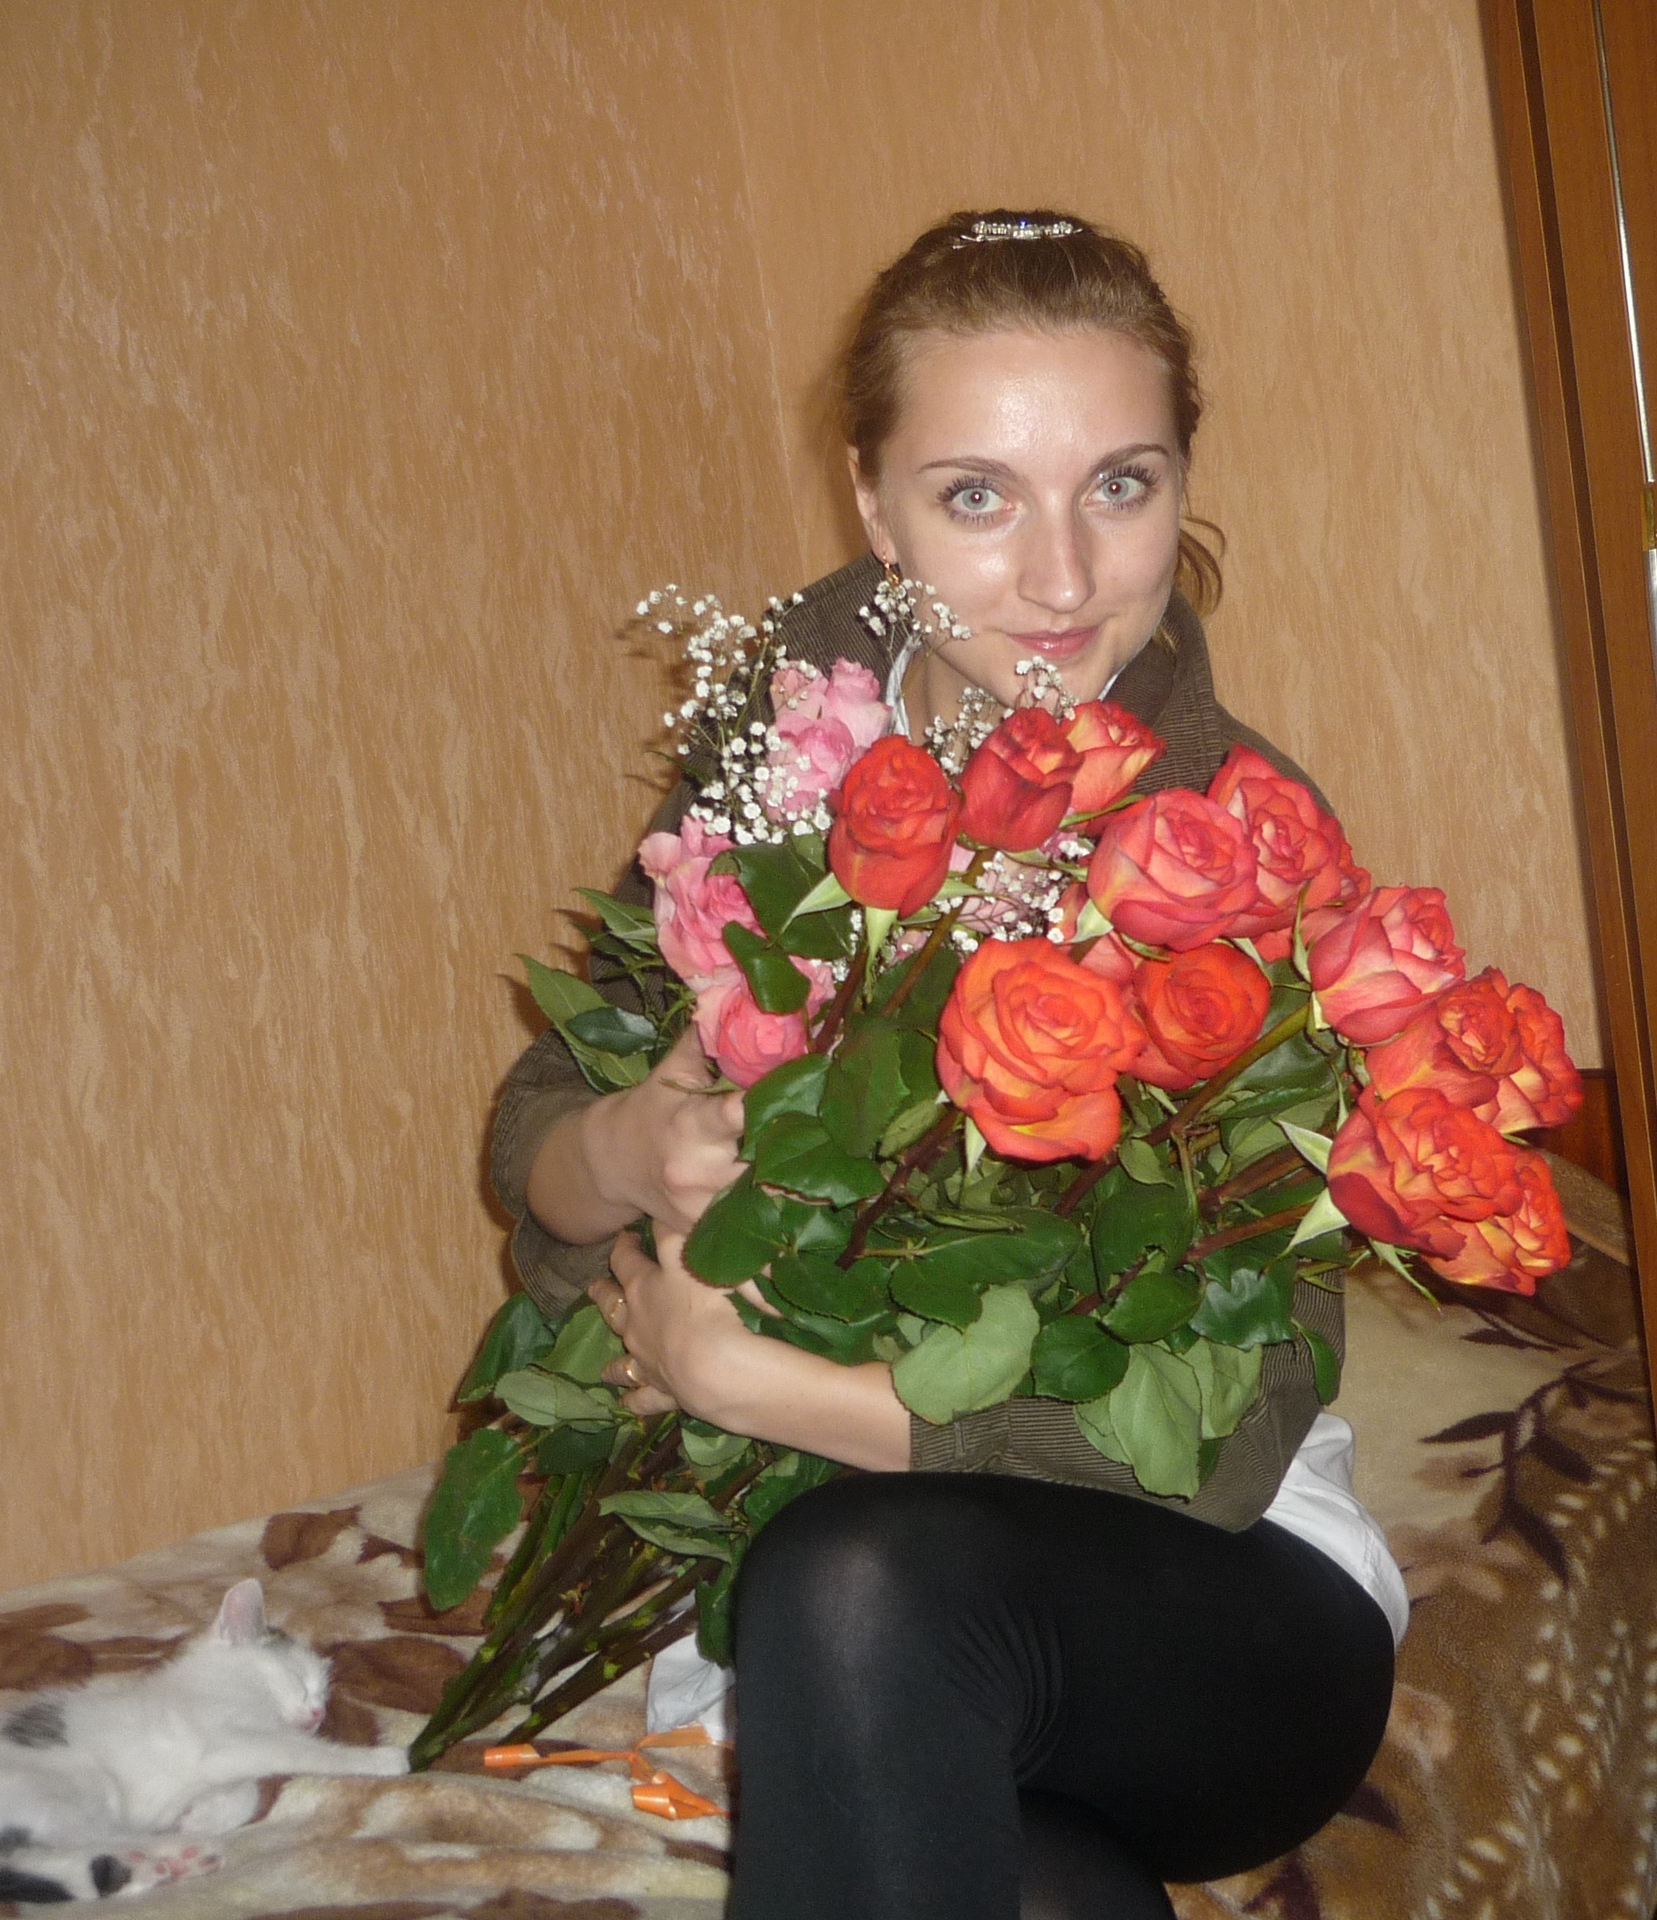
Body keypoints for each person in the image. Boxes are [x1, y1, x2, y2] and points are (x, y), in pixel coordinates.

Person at [490, 211, 1398, 1920]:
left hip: (1220, 1606)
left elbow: (1227, 1435)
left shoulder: (1237, 842)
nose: (1062, 579)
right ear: (871, 501)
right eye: (978, 496)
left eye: (1119, 486)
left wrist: (756, 1385)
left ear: (1183, 481)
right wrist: (625, 1150)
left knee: (851, 1584)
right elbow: (553, 1109)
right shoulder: (784, 758)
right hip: (878, 1614)